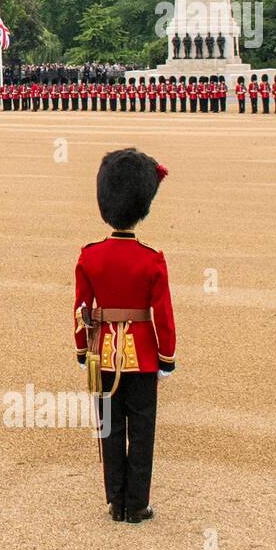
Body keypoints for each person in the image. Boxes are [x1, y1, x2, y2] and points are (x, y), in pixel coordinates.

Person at [74, 148, 176, 524]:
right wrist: (167, 357)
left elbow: (80, 309)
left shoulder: (90, 256)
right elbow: (163, 315)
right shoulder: (151, 259)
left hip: (103, 354)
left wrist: (83, 350)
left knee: (110, 427)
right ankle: (137, 503)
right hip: (144, 356)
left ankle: (115, 501)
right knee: (142, 429)